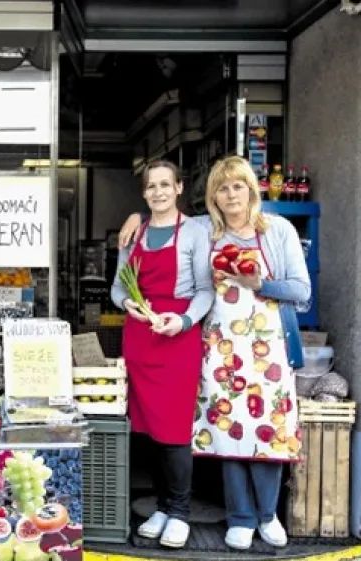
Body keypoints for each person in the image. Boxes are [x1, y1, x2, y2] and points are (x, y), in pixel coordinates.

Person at [117, 156, 310, 550]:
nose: (230, 195)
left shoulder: (278, 230)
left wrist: (261, 283)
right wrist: (136, 216)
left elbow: (302, 292)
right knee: (229, 432)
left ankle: (267, 514)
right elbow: (164, 212)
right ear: (212, 198)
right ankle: (239, 516)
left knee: (267, 432)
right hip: (220, 348)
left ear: (252, 189)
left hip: (267, 348)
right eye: (222, 189)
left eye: (238, 186)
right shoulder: (207, 229)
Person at [110, 160, 213, 548]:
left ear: (180, 188)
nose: (158, 192)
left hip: (176, 337)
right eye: (151, 186)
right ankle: (160, 507)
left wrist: (184, 321)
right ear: (144, 193)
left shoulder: (195, 232)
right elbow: (119, 287)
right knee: (148, 431)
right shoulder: (133, 234)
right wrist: (127, 305)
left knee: (174, 432)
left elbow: (206, 290)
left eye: (165, 185)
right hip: (140, 337)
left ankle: (180, 511)